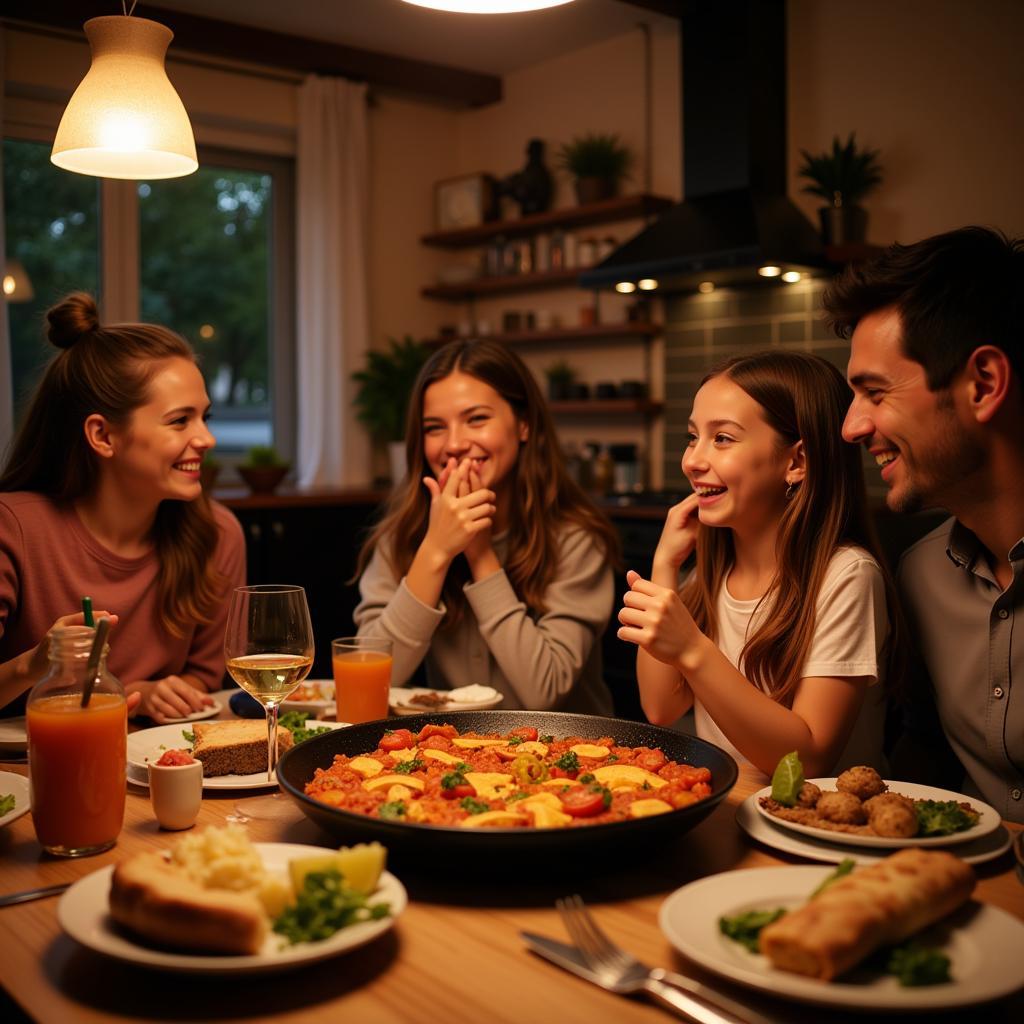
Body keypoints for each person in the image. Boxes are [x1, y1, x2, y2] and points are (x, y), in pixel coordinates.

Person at [618, 351, 898, 778]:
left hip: (821, 830)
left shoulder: (846, 575)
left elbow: (808, 760)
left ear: (797, 462)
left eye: (723, 438)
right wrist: (665, 566)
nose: (692, 460)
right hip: (734, 807)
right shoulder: (712, 573)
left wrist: (694, 650)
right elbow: (660, 707)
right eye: (693, 437)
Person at [825, 226, 1024, 823]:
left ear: (982, 385)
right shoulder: (919, 573)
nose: (852, 428)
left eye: (875, 393)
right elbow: (924, 758)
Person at [0, 292, 246, 723]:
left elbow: (204, 679)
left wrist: (147, 695)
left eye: (205, 417)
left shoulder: (217, 533)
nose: (206, 439)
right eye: (179, 420)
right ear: (103, 436)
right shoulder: (12, 528)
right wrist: (34, 665)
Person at [353, 338, 620, 714]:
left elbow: (545, 689)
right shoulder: (401, 539)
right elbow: (369, 678)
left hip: (570, 756)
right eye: (434, 427)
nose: (455, 444)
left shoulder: (576, 539)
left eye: (476, 419)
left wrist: (479, 553)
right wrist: (435, 551)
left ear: (524, 424)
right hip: (448, 757)